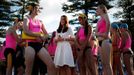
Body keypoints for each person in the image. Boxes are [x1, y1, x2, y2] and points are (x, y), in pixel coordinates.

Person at [23, 2, 56, 75]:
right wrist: (37, 36)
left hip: (39, 45)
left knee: (51, 65)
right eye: (37, 9)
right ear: (33, 9)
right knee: (29, 70)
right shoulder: (27, 18)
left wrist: (43, 38)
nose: (39, 10)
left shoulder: (40, 21)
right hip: (30, 44)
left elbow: (47, 34)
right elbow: (25, 31)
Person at [95, 4, 113, 75]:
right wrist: (101, 34)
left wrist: (106, 33)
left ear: (102, 9)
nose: (96, 10)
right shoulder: (99, 20)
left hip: (105, 41)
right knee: (103, 64)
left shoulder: (105, 15)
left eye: (97, 9)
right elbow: (96, 32)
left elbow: (108, 23)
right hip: (99, 41)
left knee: (108, 64)